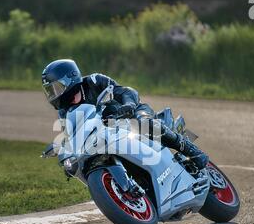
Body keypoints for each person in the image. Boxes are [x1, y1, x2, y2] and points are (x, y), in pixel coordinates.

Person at [41, 59, 209, 169]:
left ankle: (193, 151)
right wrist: (64, 150)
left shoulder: (93, 81)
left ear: (70, 78)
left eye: (56, 88)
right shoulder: (65, 111)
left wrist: (128, 105)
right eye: (50, 91)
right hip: (107, 136)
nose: (54, 94)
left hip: (131, 115)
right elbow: (72, 135)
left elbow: (124, 91)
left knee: (147, 124)